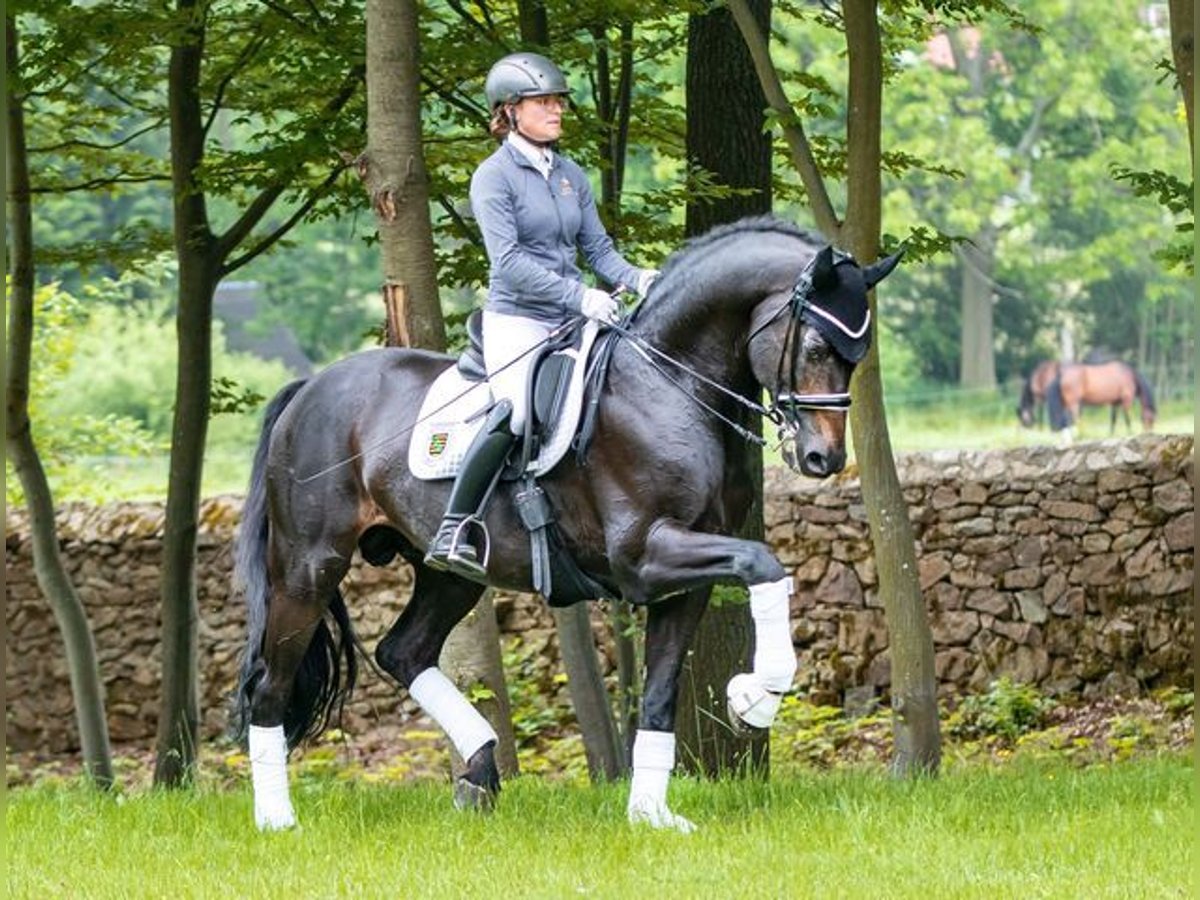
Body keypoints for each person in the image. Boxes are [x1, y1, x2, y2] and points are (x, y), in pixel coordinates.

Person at [424, 51, 658, 579]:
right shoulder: (494, 177)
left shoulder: (570, 173)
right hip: (519, 319)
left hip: (574, 318)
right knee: (518, 411)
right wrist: (580, 298)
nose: (557, 111)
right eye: (545, 102)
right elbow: (507, 262)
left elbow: (598, 251)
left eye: (558, 102)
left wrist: (639, 277)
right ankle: (455, 526)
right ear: (510, 111)